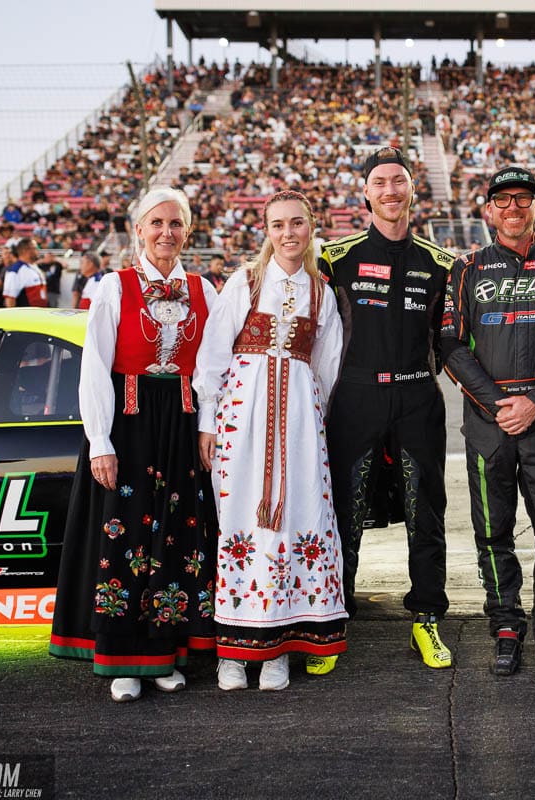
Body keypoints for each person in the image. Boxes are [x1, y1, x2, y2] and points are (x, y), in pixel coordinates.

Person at [48, 187, 219, 702]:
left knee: (177, 541)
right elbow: (95, 365)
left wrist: (208, 424)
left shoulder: (204, 288)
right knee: (123, 541)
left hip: (183, 426)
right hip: (130, 421)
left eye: (176, 223)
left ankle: (165, 656)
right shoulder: (113, 287)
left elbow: (211, 369)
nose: (167, 232)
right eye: (157, 223)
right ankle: (123, 661)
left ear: (187, 231)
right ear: (139, 230)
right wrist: (99, 440)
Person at [195, 191, 347, 692]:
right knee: (240, 522)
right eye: (278, 224)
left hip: (299, 425)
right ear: (267, 230)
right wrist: (210, 421)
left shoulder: (322, 294)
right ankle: (233, 655)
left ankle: (278, 648)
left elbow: (326, 367)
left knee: (296, 520)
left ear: (311, 227)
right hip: (244, 418)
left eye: (297, 223)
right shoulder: (245, 282)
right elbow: (213, 356)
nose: (288, 233)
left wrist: (306, 420)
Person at [440, 166, 535, 678]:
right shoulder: (465, 268)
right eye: (502, 200)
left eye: (522, 199)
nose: (512, 208)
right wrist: (499, 404)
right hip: (487, 422)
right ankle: (505, 628)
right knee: (492, 530)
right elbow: (450, 345)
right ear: (488, 211)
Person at [319, 146, 455, 673]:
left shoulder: (439, 263)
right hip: (356, 396)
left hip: (419, 396)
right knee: (343, 512)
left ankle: (427, 618)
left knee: (428, 512)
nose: (390, 191)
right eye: (380, 182)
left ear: (412, 190)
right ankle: (332, 617)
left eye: (399, 181)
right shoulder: (335, 257)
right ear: (366, 193)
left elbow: (452, 342)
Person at [3, 238, 49, 307]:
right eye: (35, 248)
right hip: (27, 315)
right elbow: (10, 299)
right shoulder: (15, 270)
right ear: (25, 251)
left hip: (40, 313)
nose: (38, 251)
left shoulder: (34, 266)